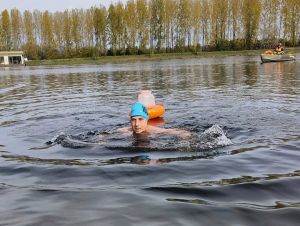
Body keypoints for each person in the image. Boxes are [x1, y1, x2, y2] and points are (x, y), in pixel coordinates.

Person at [117, 102, 191, 138]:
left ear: (146, 120)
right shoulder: (124, 130)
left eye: (140, 119)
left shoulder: (154, 130)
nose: (136, 124)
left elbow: (182, 132)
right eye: (133, 120)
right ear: (130, 121)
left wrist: (184, 139)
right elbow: (107, 134)